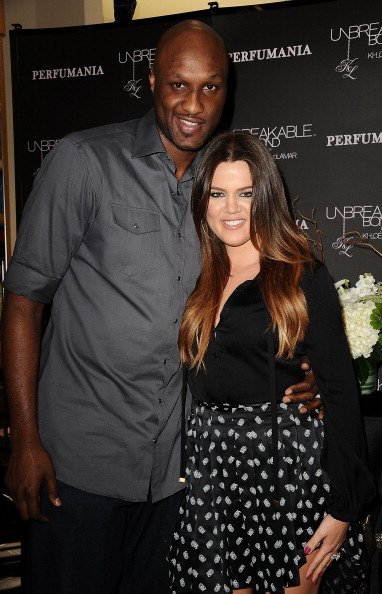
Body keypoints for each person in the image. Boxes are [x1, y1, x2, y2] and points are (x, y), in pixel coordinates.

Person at [2, 21, 319, 594]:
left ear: (227, 91)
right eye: (178, 84)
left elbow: (264, 293)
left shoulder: (225, 187)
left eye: (210, 87)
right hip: (78, 467)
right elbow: (24, 299)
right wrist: (25, 441)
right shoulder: (85, 161)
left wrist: (307, 369)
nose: (193, 104)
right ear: (151, 81)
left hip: (177, 477)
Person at [169, 130, 376, 594]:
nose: (231, 208)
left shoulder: (300, 275)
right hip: (216, 476)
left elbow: (341, 395)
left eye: (245, 193)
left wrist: (344, 508)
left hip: (287, 472)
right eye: (218, 193)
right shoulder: (198, 276)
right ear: (203, 200)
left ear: (264, 195)